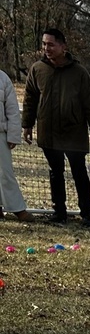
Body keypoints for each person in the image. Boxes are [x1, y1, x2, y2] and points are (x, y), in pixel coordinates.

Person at [21, 27, 90, 228]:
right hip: (48, 131)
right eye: (44, 44)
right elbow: (30, 99)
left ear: (63, 46)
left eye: (51, 44)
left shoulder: (79, 72)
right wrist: (27, 125)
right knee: (55, 172)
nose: (46, 48)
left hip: (74, 132)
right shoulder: (37, 69)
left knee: (79, 173)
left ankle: (86, 214)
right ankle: (59, 212)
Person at [0, 69, 30, 221]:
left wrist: (13, 135)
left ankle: (18, 209)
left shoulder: (3, 78)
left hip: (0, 133)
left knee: (5, 173)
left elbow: (12, 110)